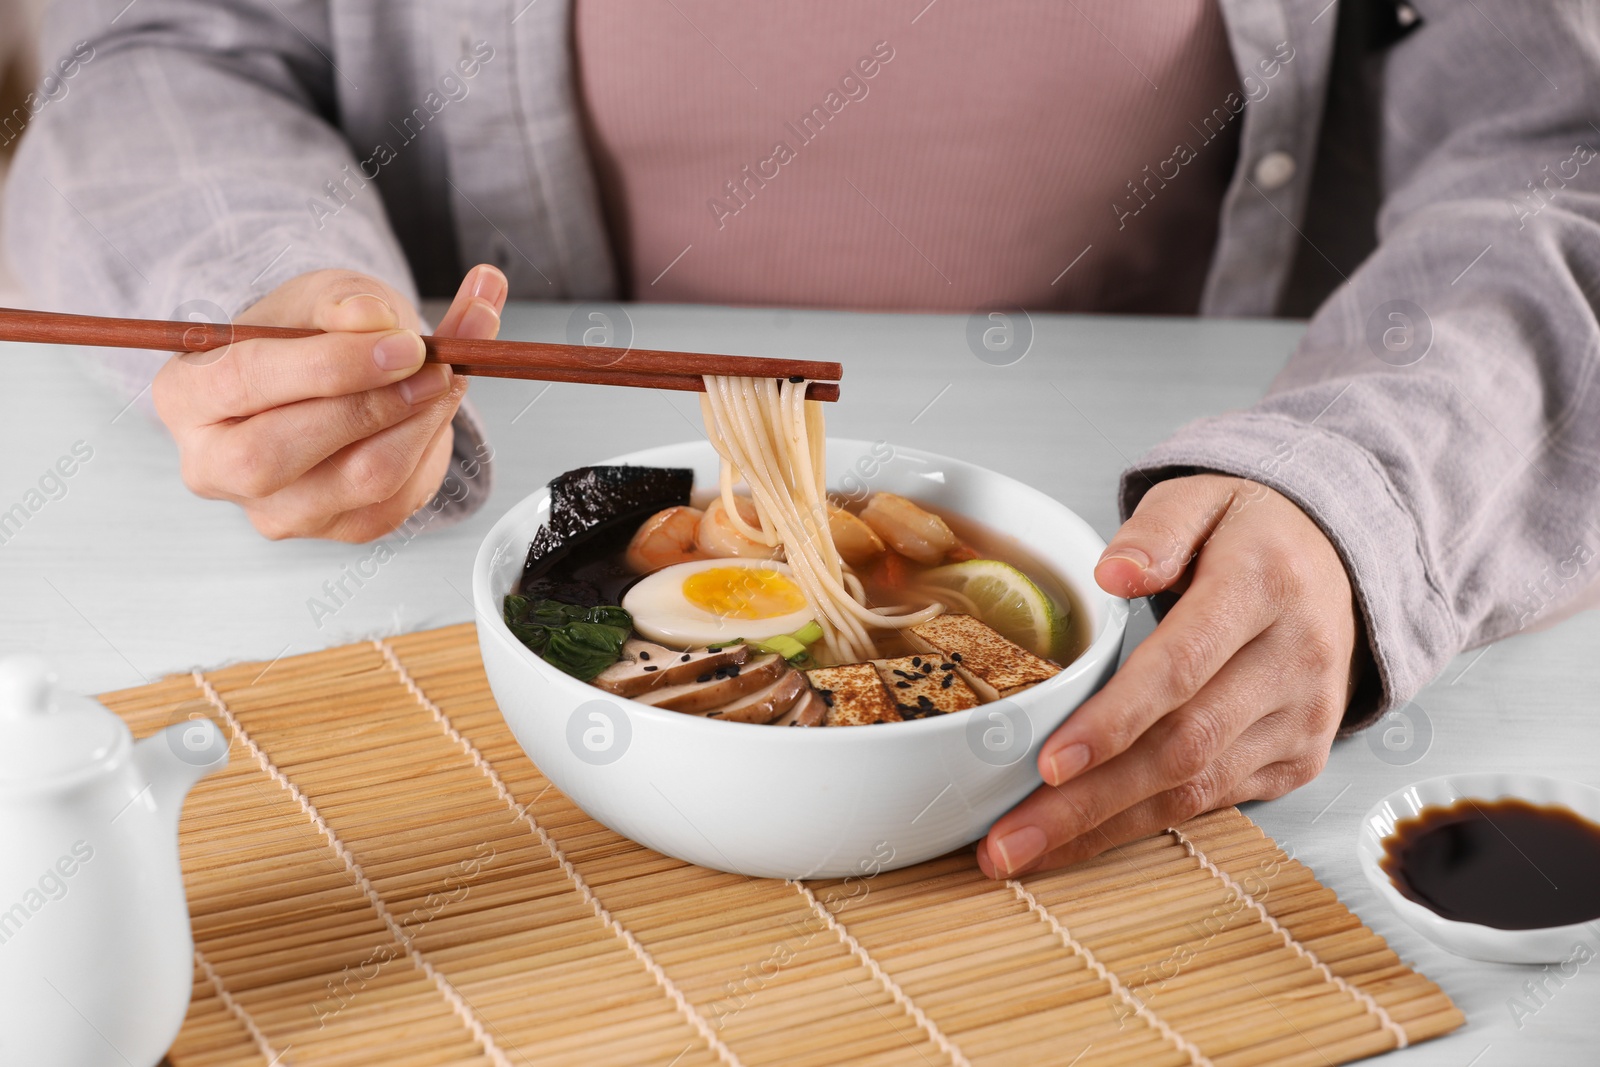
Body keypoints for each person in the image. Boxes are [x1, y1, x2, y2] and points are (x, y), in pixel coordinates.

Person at [7, 0, 1599, 880]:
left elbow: (1557, 153)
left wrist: (1366, 492)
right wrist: (269, 286)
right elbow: (150, 51)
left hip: (1187, 505)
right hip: (415, 545)